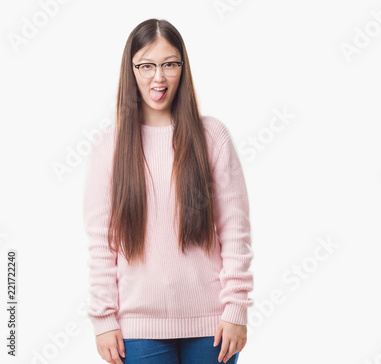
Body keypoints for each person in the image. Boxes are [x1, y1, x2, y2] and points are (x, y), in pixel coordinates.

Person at [82, 18, 254, 364]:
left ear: (182, 68)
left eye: (169, 64)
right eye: (146, 65)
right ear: (131, 70)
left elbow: (236, 230)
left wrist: (236, 308)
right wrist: (104, 319)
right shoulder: (110, 146)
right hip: (137, 330)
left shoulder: (212, 137)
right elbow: (102, 242)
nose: (157, 77)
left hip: (213, 327)